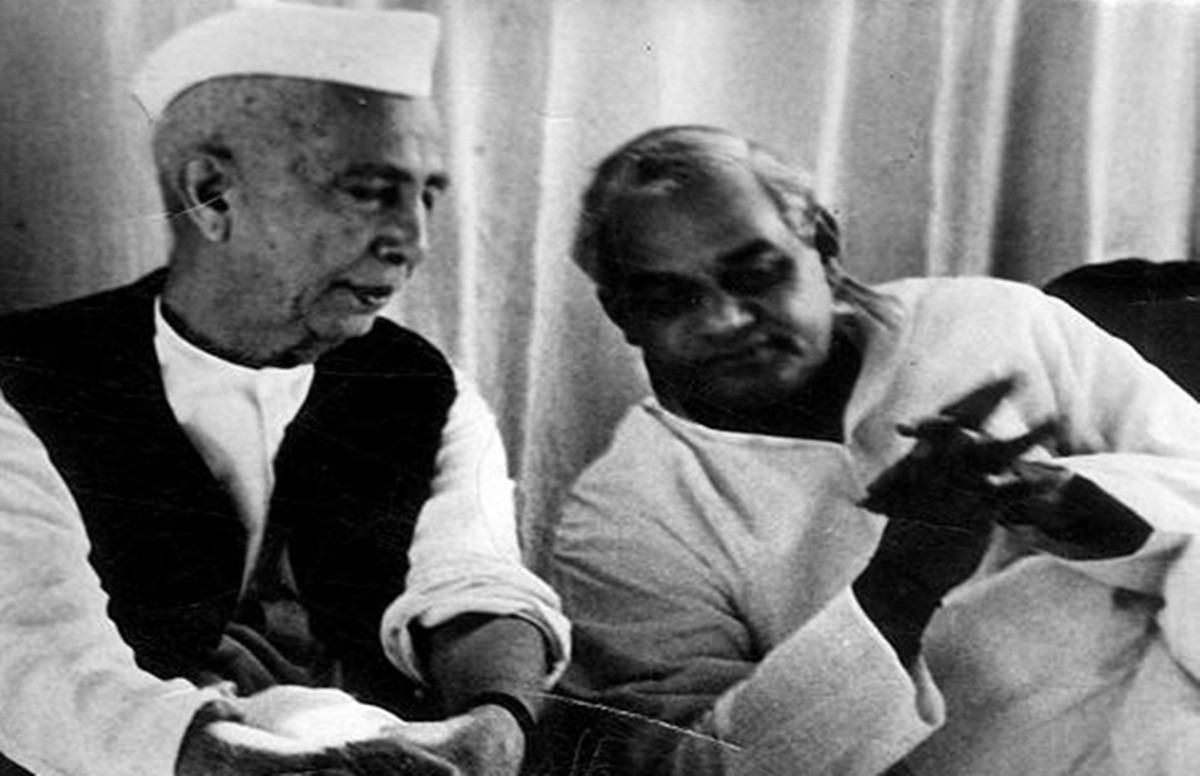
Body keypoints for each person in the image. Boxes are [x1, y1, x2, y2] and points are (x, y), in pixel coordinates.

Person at [0, 5, 568, 775]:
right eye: (368, 191)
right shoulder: (25, 377)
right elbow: (27, 653)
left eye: (426, 197)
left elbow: (477, 580)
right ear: (212, 195)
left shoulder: (424, 386)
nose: (414, 242)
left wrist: (492, 727)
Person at [547, 125, 1200, 774]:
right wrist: (900, 585)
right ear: (623, 314)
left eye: (756, 275)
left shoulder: (996, 321)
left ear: (824, 247)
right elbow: (682, 766)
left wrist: (1074, 500)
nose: (726, 320)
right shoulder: (622, 516)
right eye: (671, 300)